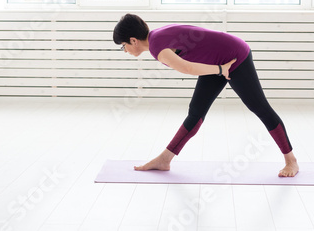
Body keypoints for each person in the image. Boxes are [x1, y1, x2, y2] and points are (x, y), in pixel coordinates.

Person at [113, 14, 299, 177]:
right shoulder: (156, 36)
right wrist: (218, 68)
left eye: (123, 46)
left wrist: (220, 69)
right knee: (196, 111)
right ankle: (164, 159)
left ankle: (291, 160)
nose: (125, 51)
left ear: (133, 40)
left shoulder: (157, 48)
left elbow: (188, 68)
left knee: (259, 107)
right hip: (217, 61)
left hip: (235, 57)